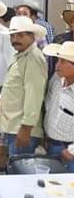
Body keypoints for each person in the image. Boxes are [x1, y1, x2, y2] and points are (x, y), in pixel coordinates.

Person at [0, 16, 48, 156]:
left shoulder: (33, 58)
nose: (15, 39)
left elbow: (34, 95)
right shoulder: (21, 55)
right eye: (12, 35)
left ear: (32, 36)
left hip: (22, 129)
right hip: (13, 126)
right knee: (13, 170)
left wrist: (26, 128)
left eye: (20, 35)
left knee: (20, 173)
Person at [42, 42, 74, 172]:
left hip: (68, 150)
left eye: (63, 61)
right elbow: (48, 107)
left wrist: (72, 151)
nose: (57, 65)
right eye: (58, 60)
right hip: (50, 144)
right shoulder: (56, 80)